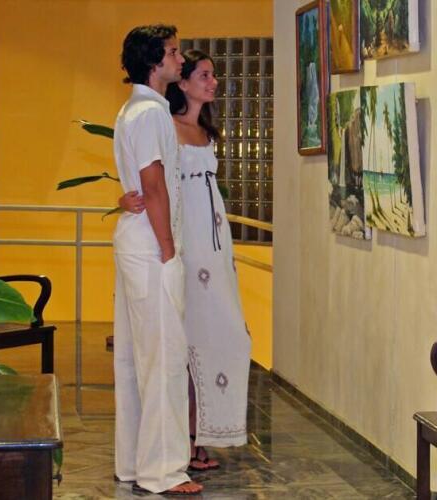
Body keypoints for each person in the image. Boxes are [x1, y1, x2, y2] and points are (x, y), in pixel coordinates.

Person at [120, 49, 251, 473]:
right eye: (204, 75)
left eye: (213, 75)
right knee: (188, 340)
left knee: (228, 337)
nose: (213, 82)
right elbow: (149, 182)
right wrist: (124, 201)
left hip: (216, 246)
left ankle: (207, 430)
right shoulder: (165, 126)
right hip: (186, 243)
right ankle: (189, 440)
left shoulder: (208, 133)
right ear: (183, 82)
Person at [111, 25, 201, 496]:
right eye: (173, 51)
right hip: (151, 247)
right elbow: (153, 185)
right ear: (153, 61)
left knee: (135, 360)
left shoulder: (135, 108)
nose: (180, 59)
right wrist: (168, 250)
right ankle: (162, 471)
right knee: (164, 360)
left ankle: (133, 463)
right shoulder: (149, 112)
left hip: (137, 241)